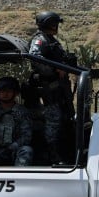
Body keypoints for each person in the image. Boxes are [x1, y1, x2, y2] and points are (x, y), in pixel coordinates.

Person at [28, 11, 74, 163]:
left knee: (64, 121)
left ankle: (64, 154)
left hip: (59, 90)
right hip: (49, 90)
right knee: (53, 123)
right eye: (55, 24)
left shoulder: (51, 40)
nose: (56, 27)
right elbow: (35, 58)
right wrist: (55, 69)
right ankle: (52, 157)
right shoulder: (40, 40)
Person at [0, 76, 34, 166]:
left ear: (15, 93)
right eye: (2, 91)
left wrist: (11, 148)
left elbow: (26, 136)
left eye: (9, 91)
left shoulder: (22, 112)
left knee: (26, 150)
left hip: (14, 150)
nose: (5, 94)